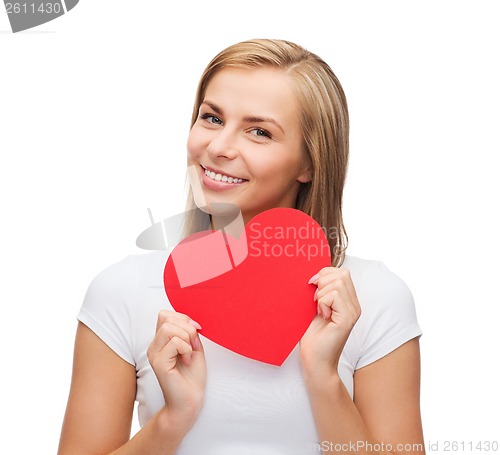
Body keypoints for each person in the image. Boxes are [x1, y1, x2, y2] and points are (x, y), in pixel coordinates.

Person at [58, 39, 424, 454]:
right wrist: (173, 419)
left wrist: (323, 376)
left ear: (309, 162)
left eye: (259, 131)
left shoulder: (373, 297)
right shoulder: (121, 289)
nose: (217, 148)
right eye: (212, 118)